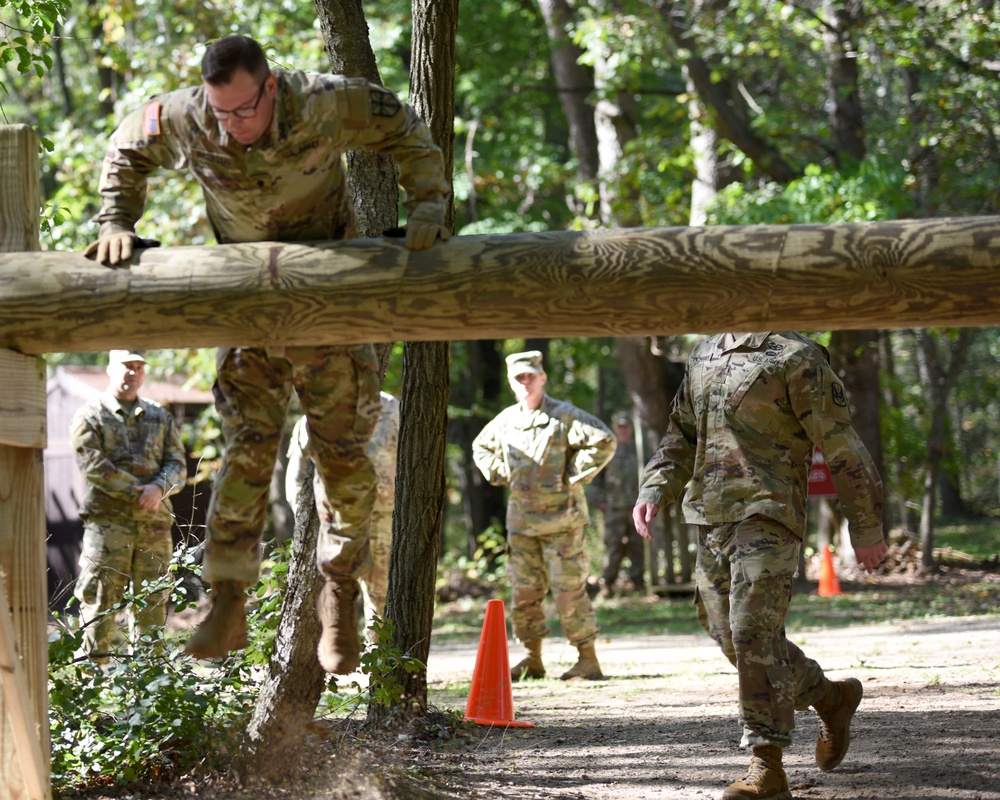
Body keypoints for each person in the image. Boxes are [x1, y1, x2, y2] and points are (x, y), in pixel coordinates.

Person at [85, 34, 450, 674]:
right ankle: (227, 598)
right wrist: (116, 221)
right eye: (221, 112)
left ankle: (340, 590)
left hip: (329, 301)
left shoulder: (325, 103)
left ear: (271, 87)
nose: (234, 125)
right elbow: (126, 145)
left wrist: (428, 204)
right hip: (249, 304)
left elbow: (407, 128)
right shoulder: (188, 114)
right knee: (246, 451)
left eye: (245, 110)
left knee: (342, 458)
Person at [632, 332, 888, 800]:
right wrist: (654, 488)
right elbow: (681, 433)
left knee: (752, 632)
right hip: (711, 515)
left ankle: (766, 765)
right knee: (731, 636)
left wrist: (866, 525)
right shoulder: (704, 352)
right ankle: (832, 699)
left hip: (769, 512)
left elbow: (840, 443)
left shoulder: (797, 355)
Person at [472, 350, 617, 682]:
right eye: (518, 378)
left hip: (562, 522)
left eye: (530, 376)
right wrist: (498, 472)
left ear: (542, 377)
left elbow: (604, 441)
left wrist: (572, 474)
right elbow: (481, 448)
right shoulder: (506, 420)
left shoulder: (563, 416)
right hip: (522, 524)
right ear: (511, 382)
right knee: (524, 592)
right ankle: (531, 657)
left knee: (568, 591)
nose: (525, 383)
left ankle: (587, 659)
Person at [71, 350, 188, 662]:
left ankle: (148, 685)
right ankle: (92, 688)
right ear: (111, 368)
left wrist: (159, 488)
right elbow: (93, 465)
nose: (132, 373)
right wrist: (140, 492)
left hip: (153, 526)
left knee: (153, 602)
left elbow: (178, 464)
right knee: (99, 602)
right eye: (126, 366)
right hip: (108, 526)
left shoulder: (159, 416)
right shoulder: (90, 414)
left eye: (138, 367)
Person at [286, 391, 400, 640]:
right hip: (334, 522)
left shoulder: (391, 407)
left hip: (380, 517)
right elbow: (296, 472)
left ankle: (378, 664)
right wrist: (305, 517)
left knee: (381, 595)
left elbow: (411, 458)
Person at [598, 410, 645, 597]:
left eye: (626, 427)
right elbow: (595, 480)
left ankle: (638, 584)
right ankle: (607, 585)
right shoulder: (607, 452)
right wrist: (600, 502)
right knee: (613, 547)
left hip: (636, 509)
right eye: (620, 427)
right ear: (614, 429)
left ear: (631, 429)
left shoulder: (640, 451)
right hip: (614, 509)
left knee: (637, 547)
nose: (623, 430)